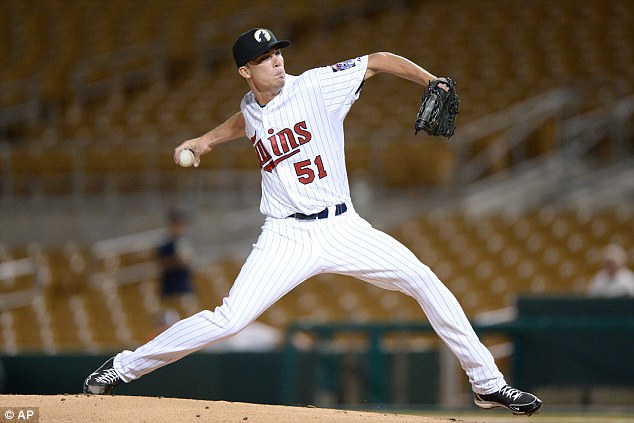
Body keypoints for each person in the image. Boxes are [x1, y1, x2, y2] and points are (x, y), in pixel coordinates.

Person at [83, 28, 542, 416]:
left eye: (278, 53)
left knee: (423, 278)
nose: (277, 62)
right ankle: (121, 368)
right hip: (286, 234)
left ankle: (487, 383)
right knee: (228, 319)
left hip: (343, 228)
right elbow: (247, 119)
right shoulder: (251, 105)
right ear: (246, 72)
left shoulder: (318, 85)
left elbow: (379, 59)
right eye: (265, 58)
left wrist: (430, 79)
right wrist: (207, 139)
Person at [156, 208, 197, 317]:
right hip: (170, 290)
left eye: (182, 224)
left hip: (184, 287)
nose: (180, 228)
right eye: (177, 224)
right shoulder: (165, 244)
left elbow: (189, 263)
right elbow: (161, 264)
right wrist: (177, 260)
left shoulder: (185, 242)